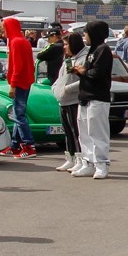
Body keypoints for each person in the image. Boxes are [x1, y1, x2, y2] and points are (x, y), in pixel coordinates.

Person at [72, 20, 113, 178]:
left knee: (97, 133)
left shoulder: (103, 50)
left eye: (86, 32)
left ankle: (101, 164)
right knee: (84, 133)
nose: (84, 36)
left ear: (94, 33)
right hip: (85, 96)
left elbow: (97, 72)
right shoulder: (92, 50)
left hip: (98, 97)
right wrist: (80, 70)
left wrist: (83, 71)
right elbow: (89, 71)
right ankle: (88, 163)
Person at [0, 17, 37, 159]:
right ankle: (15, 145)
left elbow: (18, 67)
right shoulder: (24, 41)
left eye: (3, 31)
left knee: (19, 115)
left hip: (20, 82)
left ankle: (29, 145)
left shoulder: (15, 42)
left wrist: (12, 85)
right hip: (26, 81)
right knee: (17, 114)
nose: (3, 34)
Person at [52, 33, 86, 172]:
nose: (64, 47)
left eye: (67, 44)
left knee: (76, 132)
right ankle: (70, 158)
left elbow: (84, 81)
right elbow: (60, 78)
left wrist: (67, 89)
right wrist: (55, 88)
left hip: (73, 100)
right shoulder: (67, 60)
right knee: (67, 132)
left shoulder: (83, 59)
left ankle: (80, 159)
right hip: (63, 101)